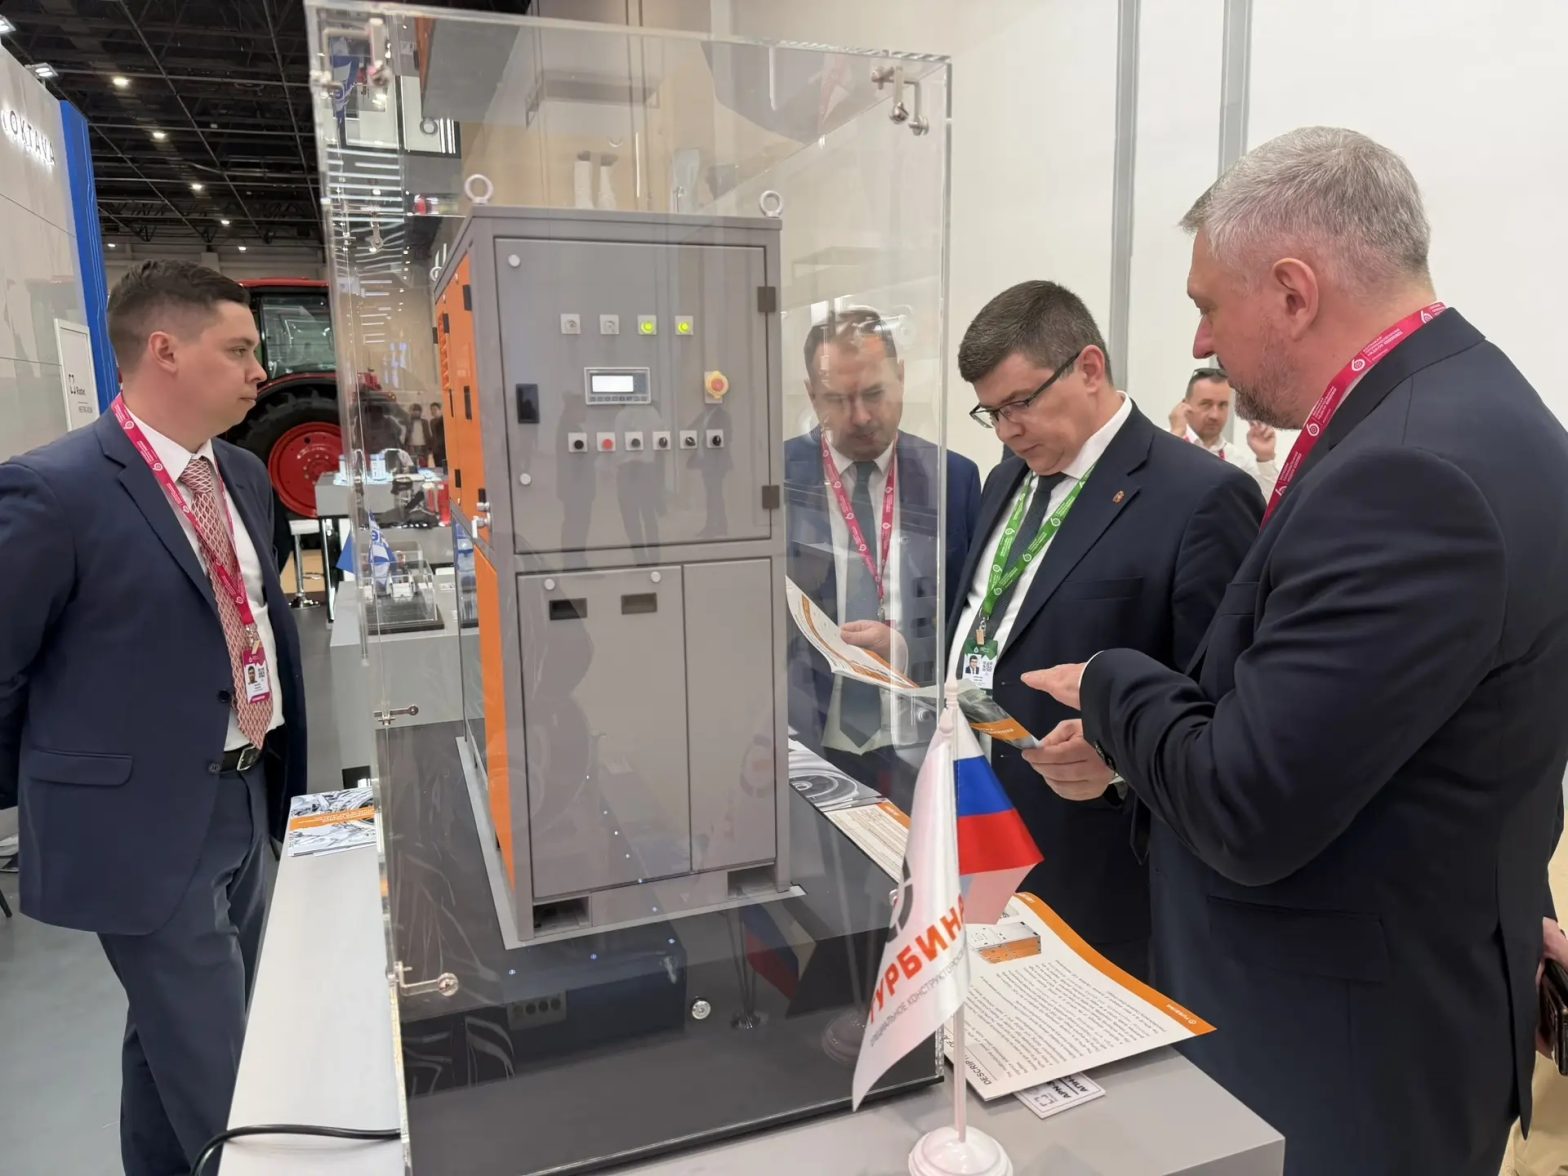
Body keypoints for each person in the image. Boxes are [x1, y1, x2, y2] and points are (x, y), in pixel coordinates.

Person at [1023, 128, 1568, 1176]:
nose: (1198, 343)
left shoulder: (1408, 473)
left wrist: (1110, 685)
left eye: (1206, 306)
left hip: (1339, 1056)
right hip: (1407, 1000)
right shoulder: (1478, 409)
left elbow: (1249, 804)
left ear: (1290, 291)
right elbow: (1390, 740)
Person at [0, 260, 308, 1175]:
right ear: (165, 350)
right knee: (223, 1066)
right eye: (238, 349)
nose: (259, 371)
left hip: (245, 793)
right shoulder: (54, 491)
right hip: (141, 822)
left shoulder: (242, 475)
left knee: (171, 1032)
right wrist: (65, 792)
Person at [949, 280, 1260, 977]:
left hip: (1091, 860)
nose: (1006, 430)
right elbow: (988, 622)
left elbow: (1225, 711)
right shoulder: (1006, 479)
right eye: (991, 413)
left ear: (1089, 368)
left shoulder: (1200, 496)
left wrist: (1119, 763)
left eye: (1020, 404)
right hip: (973, 821)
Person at [784, 307, 981, 804]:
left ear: (902, 377)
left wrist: (908, 651)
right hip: (803, 734)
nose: (860, 417)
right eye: (837, 399)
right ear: (812, 395)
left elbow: (969, 616)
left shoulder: (952, 479)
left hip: (918, 737)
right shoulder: (774, 478)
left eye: (874, 393)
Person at [1169, 366, 1279, 497]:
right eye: (1206, 404)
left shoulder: (1236, 460)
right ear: (1184, 405)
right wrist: (1175, 436)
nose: (1214, 415)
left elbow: (1272, 503)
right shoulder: (1161, 444)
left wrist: (1265, 458)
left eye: (1222, 405)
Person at [403, 401, 429, 465]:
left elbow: (427, 434)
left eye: (417, 411)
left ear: (420, 412)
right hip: (411, 446)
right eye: (413, 411)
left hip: (423, 446)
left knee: (423, 464)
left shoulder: (425, 422)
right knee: (412, 463)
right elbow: (405, 435)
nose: (415, 413)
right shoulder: (407, 422)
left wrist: (430, 448)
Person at [428, 399, 446, 469]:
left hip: (443, 447)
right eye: (431, 410)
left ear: (440, 410)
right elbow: (433, 435)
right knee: (437, 466)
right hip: (436, 448)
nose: (433, 411)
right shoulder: (432, 422)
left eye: (435, 409)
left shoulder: (444, 420)